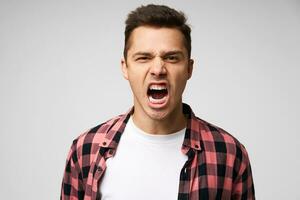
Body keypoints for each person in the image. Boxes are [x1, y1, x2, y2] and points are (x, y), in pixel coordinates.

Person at [60, 4, 255, 200]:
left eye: (171, 58)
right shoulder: (86, 150)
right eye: (143, 57)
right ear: (125, 68)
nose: (158, 69)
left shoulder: (229, 154)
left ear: (189, 68)